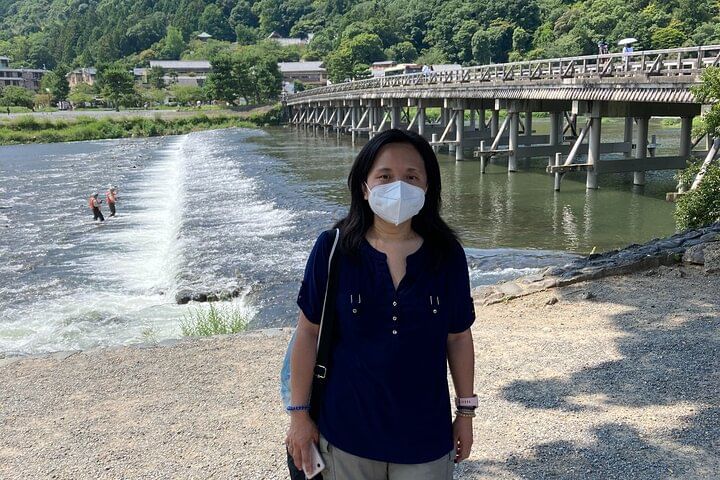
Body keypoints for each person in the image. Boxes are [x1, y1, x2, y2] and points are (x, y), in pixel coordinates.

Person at [285, 129, 477, 479]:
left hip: (426, 439)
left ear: (427, 187)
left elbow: (459, 337)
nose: (399, 187)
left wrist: (465, 413)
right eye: (385, 176)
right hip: (346, 437)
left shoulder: (446, 255)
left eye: (412, 177)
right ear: (364, 186)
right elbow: (308, 333)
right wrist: (299, 415)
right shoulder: (333, 249)